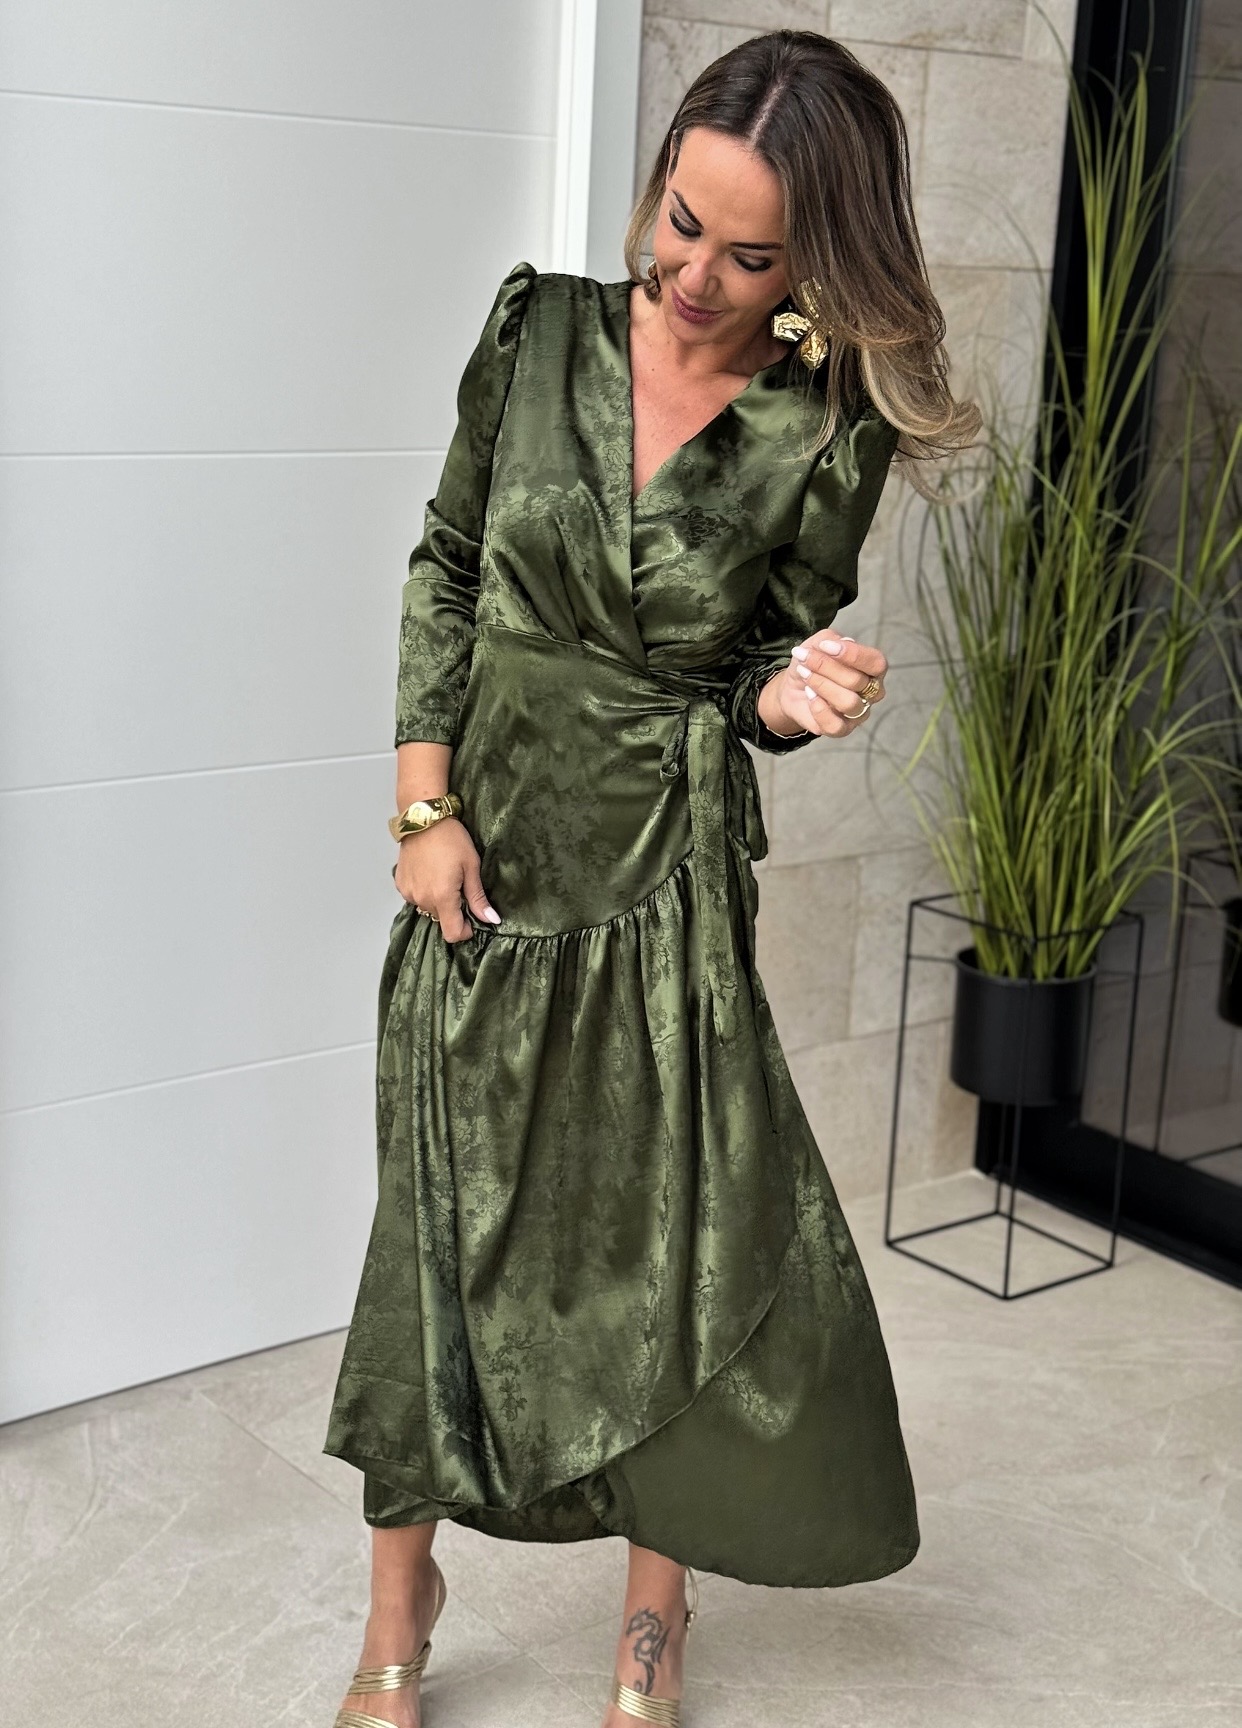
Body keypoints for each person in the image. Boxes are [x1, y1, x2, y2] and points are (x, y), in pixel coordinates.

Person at [325, 28, 977, 1728]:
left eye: (750, 257)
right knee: (436, 1229)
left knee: (666, 1250)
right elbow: (447, 566)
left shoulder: (825, 430)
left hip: (662, 884)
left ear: (816, 262)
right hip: (485, 866)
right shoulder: (534, 332)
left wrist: (788, 698)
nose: (693, 277)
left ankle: (650, 1619)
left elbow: (748, 676)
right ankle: (396, 1607)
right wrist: (420, 808)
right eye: (680, 222)